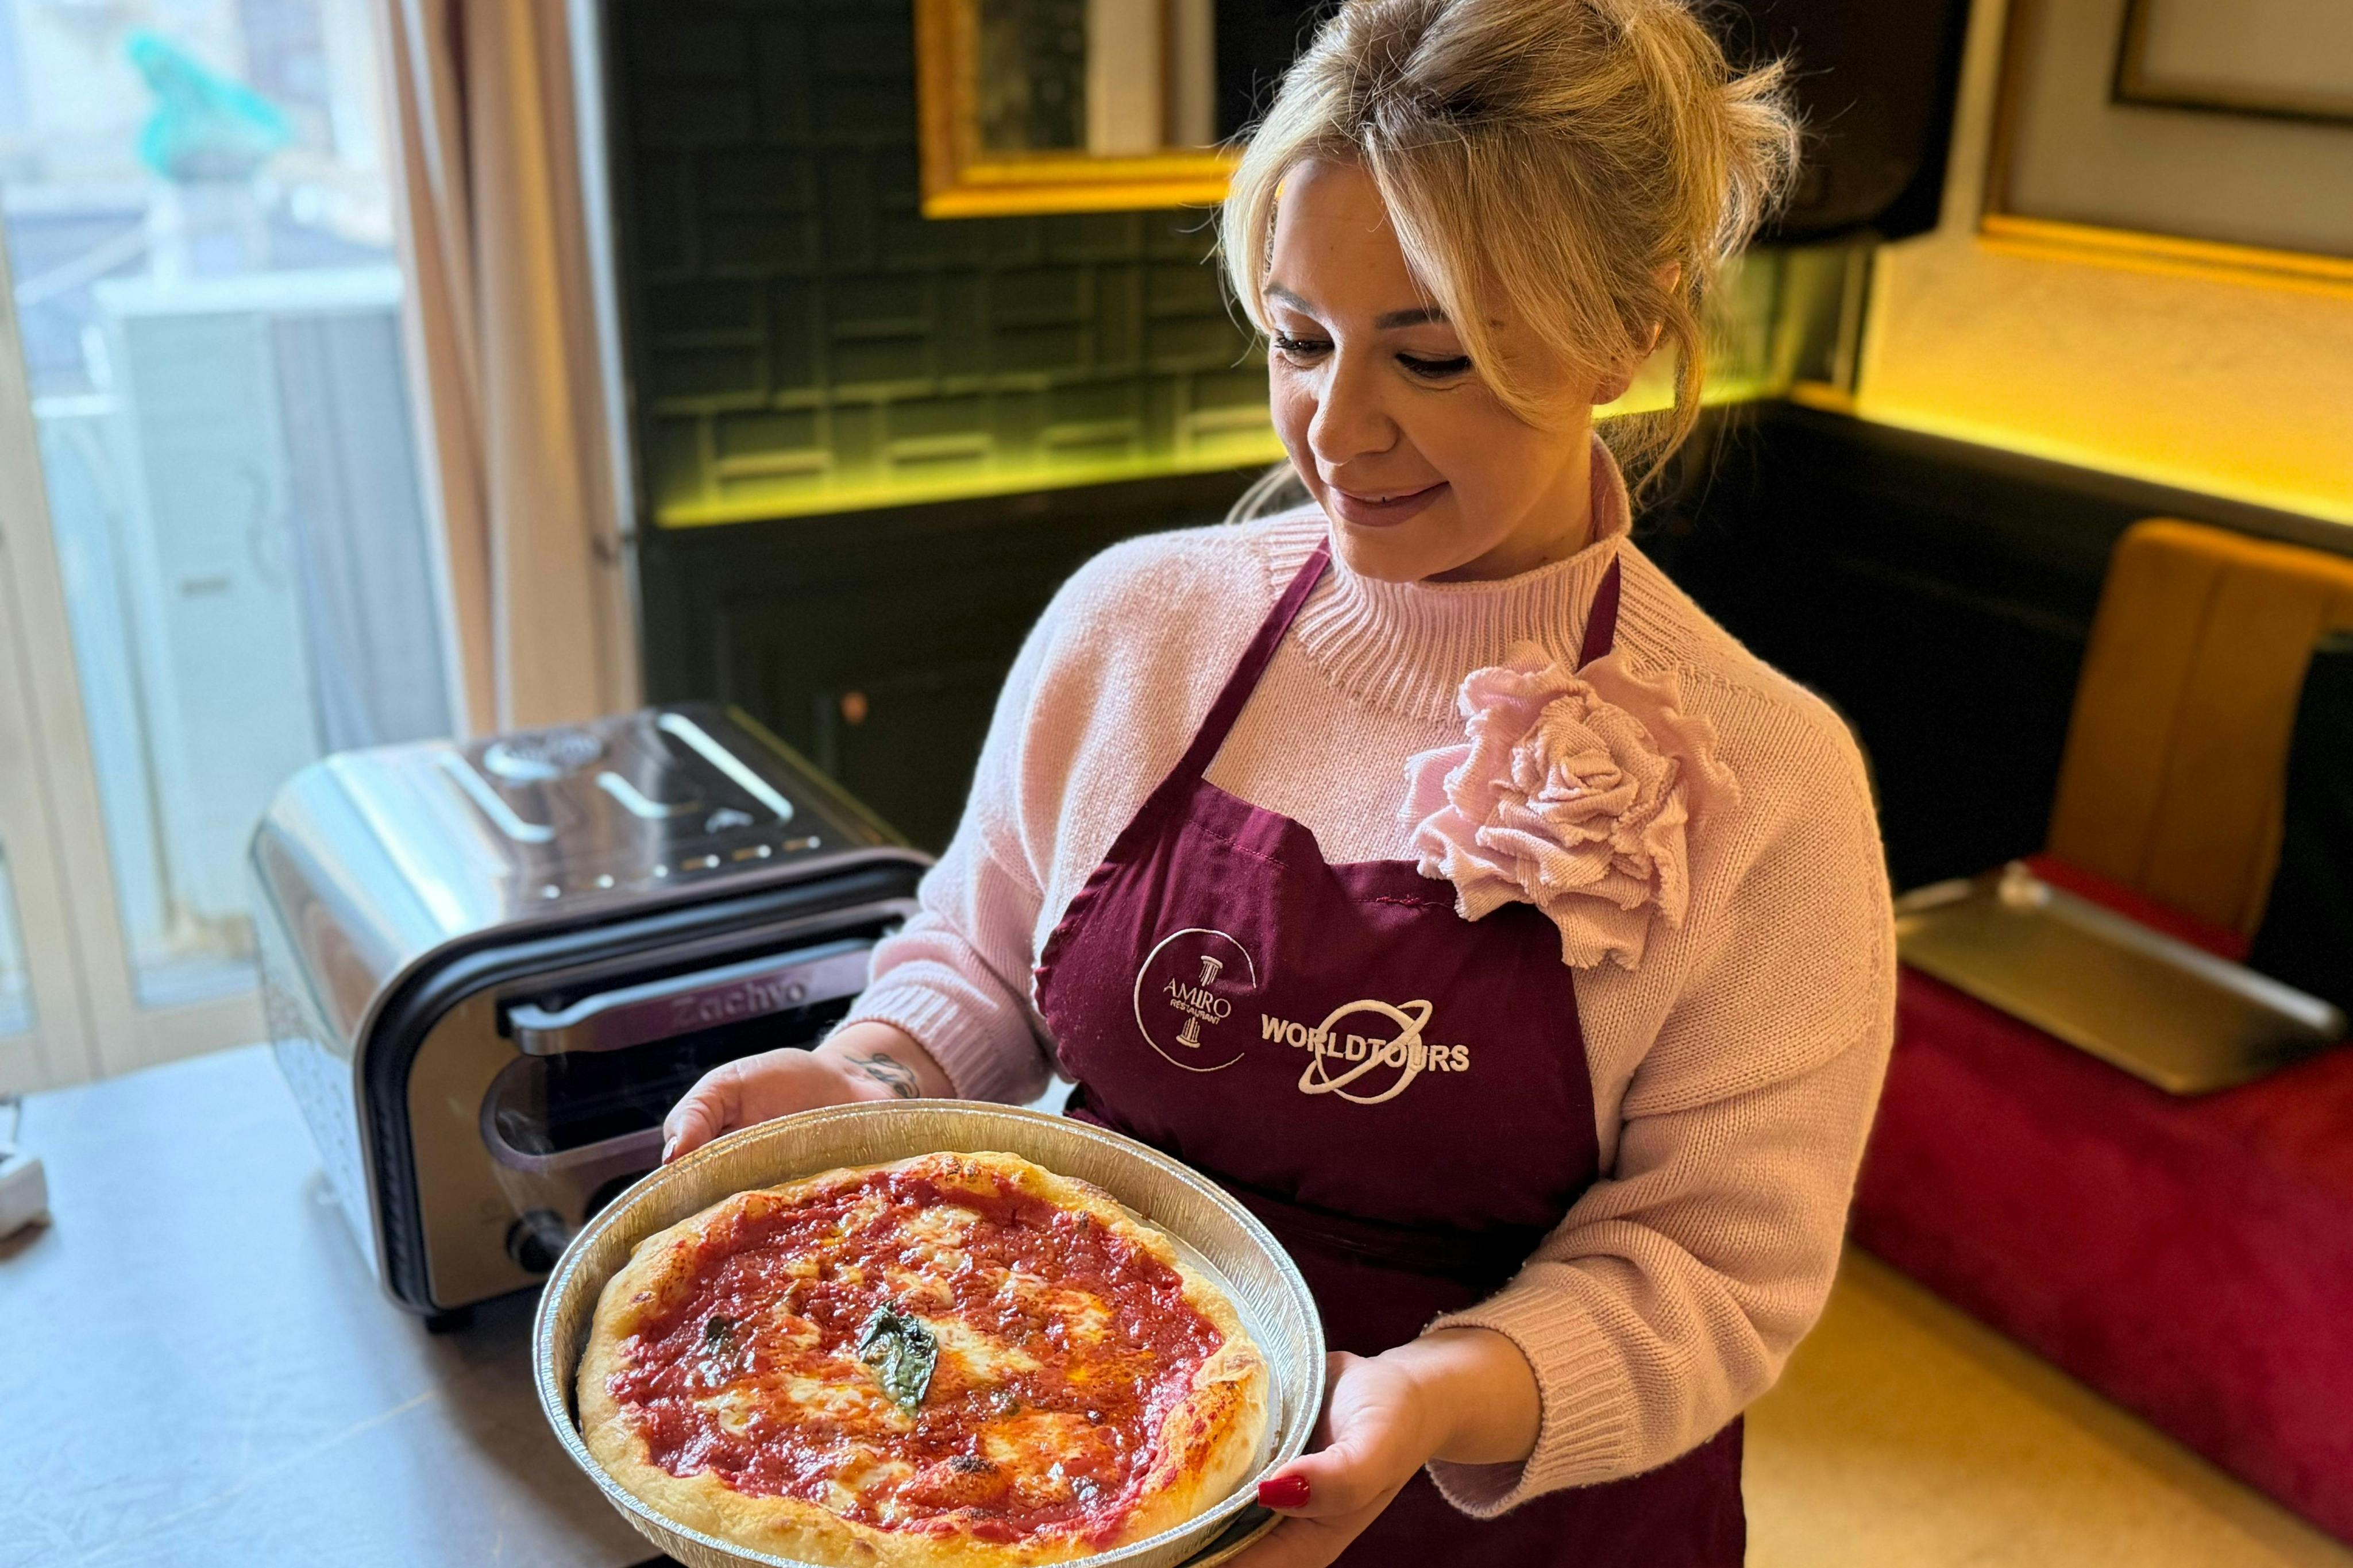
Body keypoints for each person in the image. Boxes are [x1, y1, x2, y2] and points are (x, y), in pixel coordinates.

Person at [661, 1, 1895, 1561]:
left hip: (1515, 1517)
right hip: (1079, 1453)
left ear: (1632, 326)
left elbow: (1715, 1262)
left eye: (1432, 353)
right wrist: (874, 1083)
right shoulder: (1139, 625)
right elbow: (982, 951)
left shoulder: (1770, 779)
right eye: (1297, 338)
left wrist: (1443, 1391)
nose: (1338, 425)